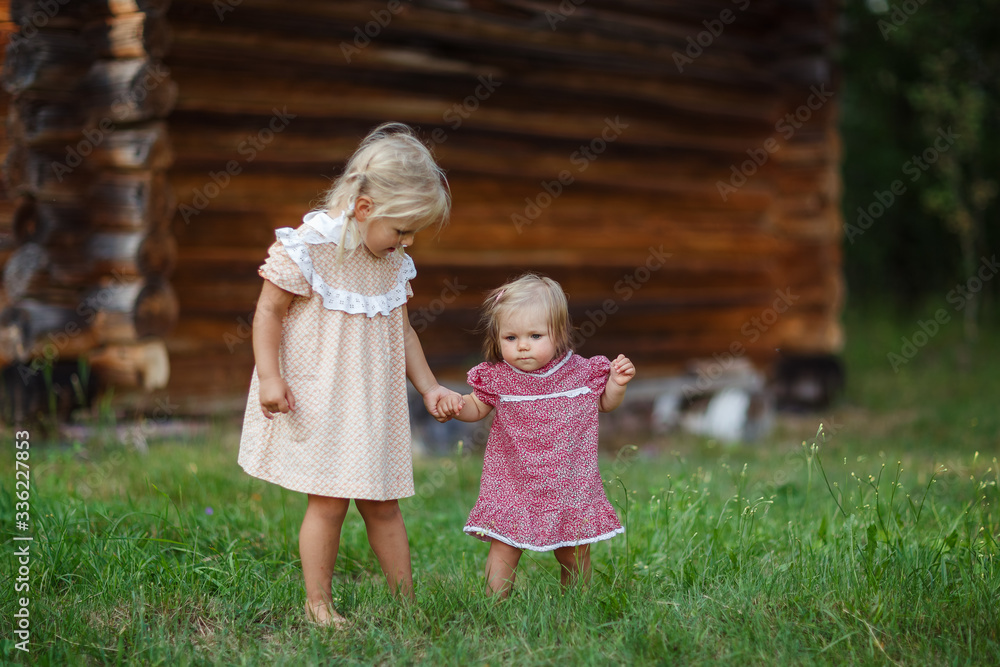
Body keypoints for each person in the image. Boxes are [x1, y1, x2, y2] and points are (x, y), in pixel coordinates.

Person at [238, 122, 462, 627]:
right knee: (330, 502)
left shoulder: (392, 261)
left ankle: (406, 605)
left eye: (412, 233)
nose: (406, 242)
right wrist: (270, 377)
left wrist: (428, 388)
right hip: (322, 398)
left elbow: (403, 333)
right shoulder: (310, 247)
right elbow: (268, 313)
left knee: (384, 503)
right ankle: (318, 605)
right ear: (364, 210)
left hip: (374, 403)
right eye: (401, 230)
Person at [439, 273, 636, 597]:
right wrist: (456, 404)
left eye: (534, 335)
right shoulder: (499, 377)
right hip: (513, 481)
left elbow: (604, 403)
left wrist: (617, 383)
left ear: (559, 334)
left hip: (568, 481)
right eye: (511, 338)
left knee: (573, 550)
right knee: (504, 547)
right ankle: (493, 605)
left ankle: (576, 603)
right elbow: (476, 406)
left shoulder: (582, 372)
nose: (523, 346)